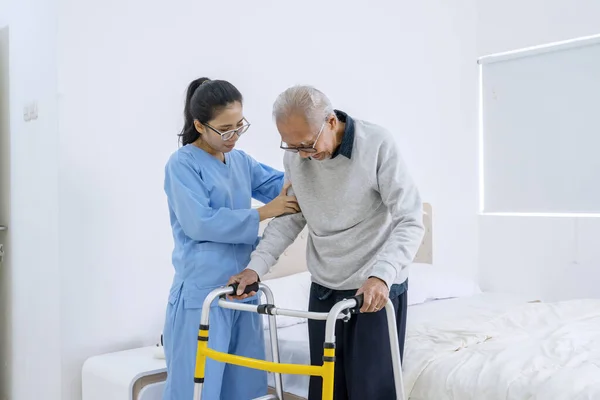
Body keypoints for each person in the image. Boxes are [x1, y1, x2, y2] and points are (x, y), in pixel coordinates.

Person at [228, 85, 424, 400]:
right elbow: (291, 217)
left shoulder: (376, 144)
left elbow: (410, 219)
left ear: (331, 122)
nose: (304, 155)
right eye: (293, 147)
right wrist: (255, 268)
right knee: (327, 392)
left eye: (307, 144)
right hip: (324, 290)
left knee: (371, 393)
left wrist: (381, 275)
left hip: (373, 292)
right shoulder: (295, 156)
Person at [162, 77, 300, 400]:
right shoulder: (181, 165)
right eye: (225, 129)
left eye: (239, 126)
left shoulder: (240, 161)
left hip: (242, 295)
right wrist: (266, 212)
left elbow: (285, 186)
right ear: (199, 125)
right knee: (196, 391)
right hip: (202, 297)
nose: (233, 136)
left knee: (246, 390)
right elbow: (201, 223)